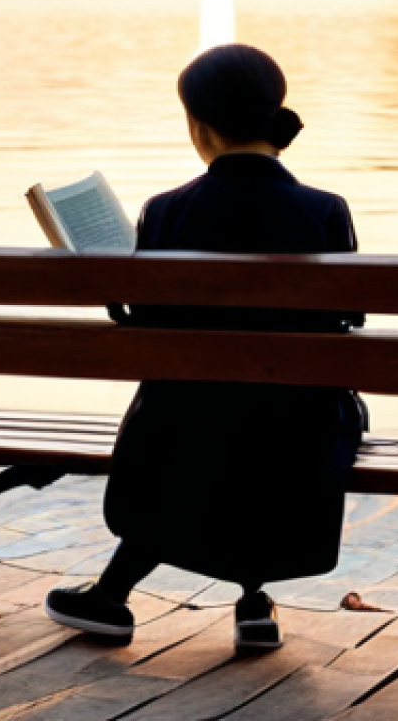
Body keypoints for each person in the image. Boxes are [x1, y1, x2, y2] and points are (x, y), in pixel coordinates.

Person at [44, 43, 366, 649]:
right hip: (300, 430)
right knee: (258, 421)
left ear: (198, 126)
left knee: (197, 415)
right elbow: (346, 318)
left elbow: (149, 327)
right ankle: (253, 602)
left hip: (179, 428)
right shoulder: (325, 211)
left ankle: (113, 596)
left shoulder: (164, 212)